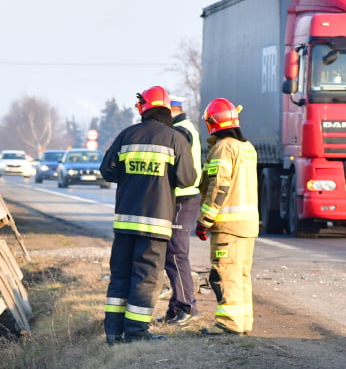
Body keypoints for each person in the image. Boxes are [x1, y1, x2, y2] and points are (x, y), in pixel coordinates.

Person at [100, 85, 197, 344]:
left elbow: (107, 172)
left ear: (143, 108)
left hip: (124, 223)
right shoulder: (175, 138)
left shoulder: (126, 135)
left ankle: (113, 332)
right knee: (145, 279)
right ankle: (135, 333)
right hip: (156, 225)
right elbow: (188, 179)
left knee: (120, 276)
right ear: (166, 108)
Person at [193, 98, 259, 335]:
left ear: (212, 122)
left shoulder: (222, 148)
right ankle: (243, 322)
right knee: (240, 274)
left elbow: (218, 185)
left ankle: (228, 324)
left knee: (225, 273)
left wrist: (204, 220)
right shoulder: (247, 147)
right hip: (247, 225)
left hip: (228, 226)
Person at [159, 96, 202, 325]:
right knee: (172, 254)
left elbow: (177, 168)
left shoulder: (180, 132)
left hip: (183, 198)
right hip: (183, 197)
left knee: (176, 254)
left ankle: (187, 307)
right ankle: (176, 308)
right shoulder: (183, 128)